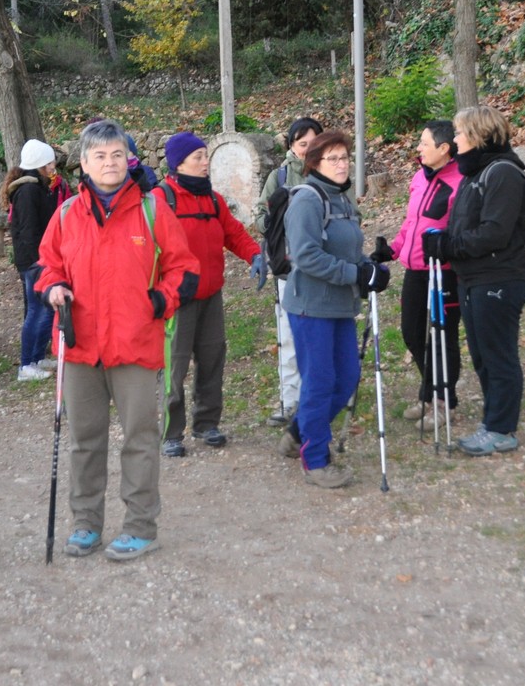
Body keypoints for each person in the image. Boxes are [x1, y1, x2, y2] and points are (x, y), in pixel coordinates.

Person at [37, 119, 197, 562]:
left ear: (129, 160)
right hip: (80, 347)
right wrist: (53, 287)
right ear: (84, 164)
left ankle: (141, 527)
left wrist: (158, 302)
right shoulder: (67, 214)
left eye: (117, 155)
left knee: (140, 440)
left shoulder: (152, 210)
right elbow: (47, 265)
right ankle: (86, 524)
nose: (109, 163)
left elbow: (184, 270)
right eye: (99, 156)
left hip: (135, 345)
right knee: (84, 440)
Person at [280, 130, 390, 489]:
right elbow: (306, 255)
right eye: (333, 159)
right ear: (315, 164)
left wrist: (369, 268)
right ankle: (315, 460)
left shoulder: (342, 199)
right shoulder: (307, 200)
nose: (342, 164)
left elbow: (347, 250)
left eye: (345, 157)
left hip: (340, 304)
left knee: (346, 379)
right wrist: (354, 274)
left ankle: (299, 432)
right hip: (310, 307)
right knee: (320, 382)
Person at [423, 106, 525, 457]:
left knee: (498, 355)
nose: (455, 139)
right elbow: (467, 226)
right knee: (484, 355)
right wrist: (444, 242)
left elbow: (494, 233)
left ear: (478, 135)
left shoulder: (502, 173)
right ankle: (493, 422)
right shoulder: (476, 173)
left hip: (500, 277)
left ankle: (501, 430)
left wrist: (448, 246)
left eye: (459, 133)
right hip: (474, 277)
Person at [153, 132, 263, 458]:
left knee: (213, 359)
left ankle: (206, 423)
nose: (205, 162)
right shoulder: (161, 200)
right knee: (174, 367)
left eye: (205, 155)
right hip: (177, 300)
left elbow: (234, 233)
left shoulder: (212, 200)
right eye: (198, 157)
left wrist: (256, 255)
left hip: (211, 295)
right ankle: (171, 432)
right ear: (178, 163)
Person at [389, 120, 463, 423]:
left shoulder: (461, 181)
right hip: (415, 270)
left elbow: (462, 231)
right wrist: (392, 249)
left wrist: (446, 248)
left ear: (444, 148)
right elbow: (411, 222)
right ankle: (431, 391)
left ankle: (444, 402)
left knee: (443, 338)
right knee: (412, 333)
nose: (418, 148)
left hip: (444, 272)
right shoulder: (420, 177)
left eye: (424, 143)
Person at [253, 117, 322, 427]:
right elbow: (260, 214)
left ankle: (320, 397)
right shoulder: (278, 176)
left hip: (322, 268)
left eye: (313, 143)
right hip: (288, 268)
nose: (307, 149)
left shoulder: (330, 171)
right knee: (289, 337)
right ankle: (290, 400)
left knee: (321, 335)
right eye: (302, 144)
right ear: (292, 145)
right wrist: (274, 224)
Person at [2, 139, 59, 382]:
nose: (54, 166)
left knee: (46, 310)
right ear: (40, 164)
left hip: (40, 259)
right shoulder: (28, 192)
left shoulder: (38, 187)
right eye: (50, 162)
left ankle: (37, 357)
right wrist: (40, 262)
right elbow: (28, 232)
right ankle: (26, 365)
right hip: (34, 262)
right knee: (36, 311)